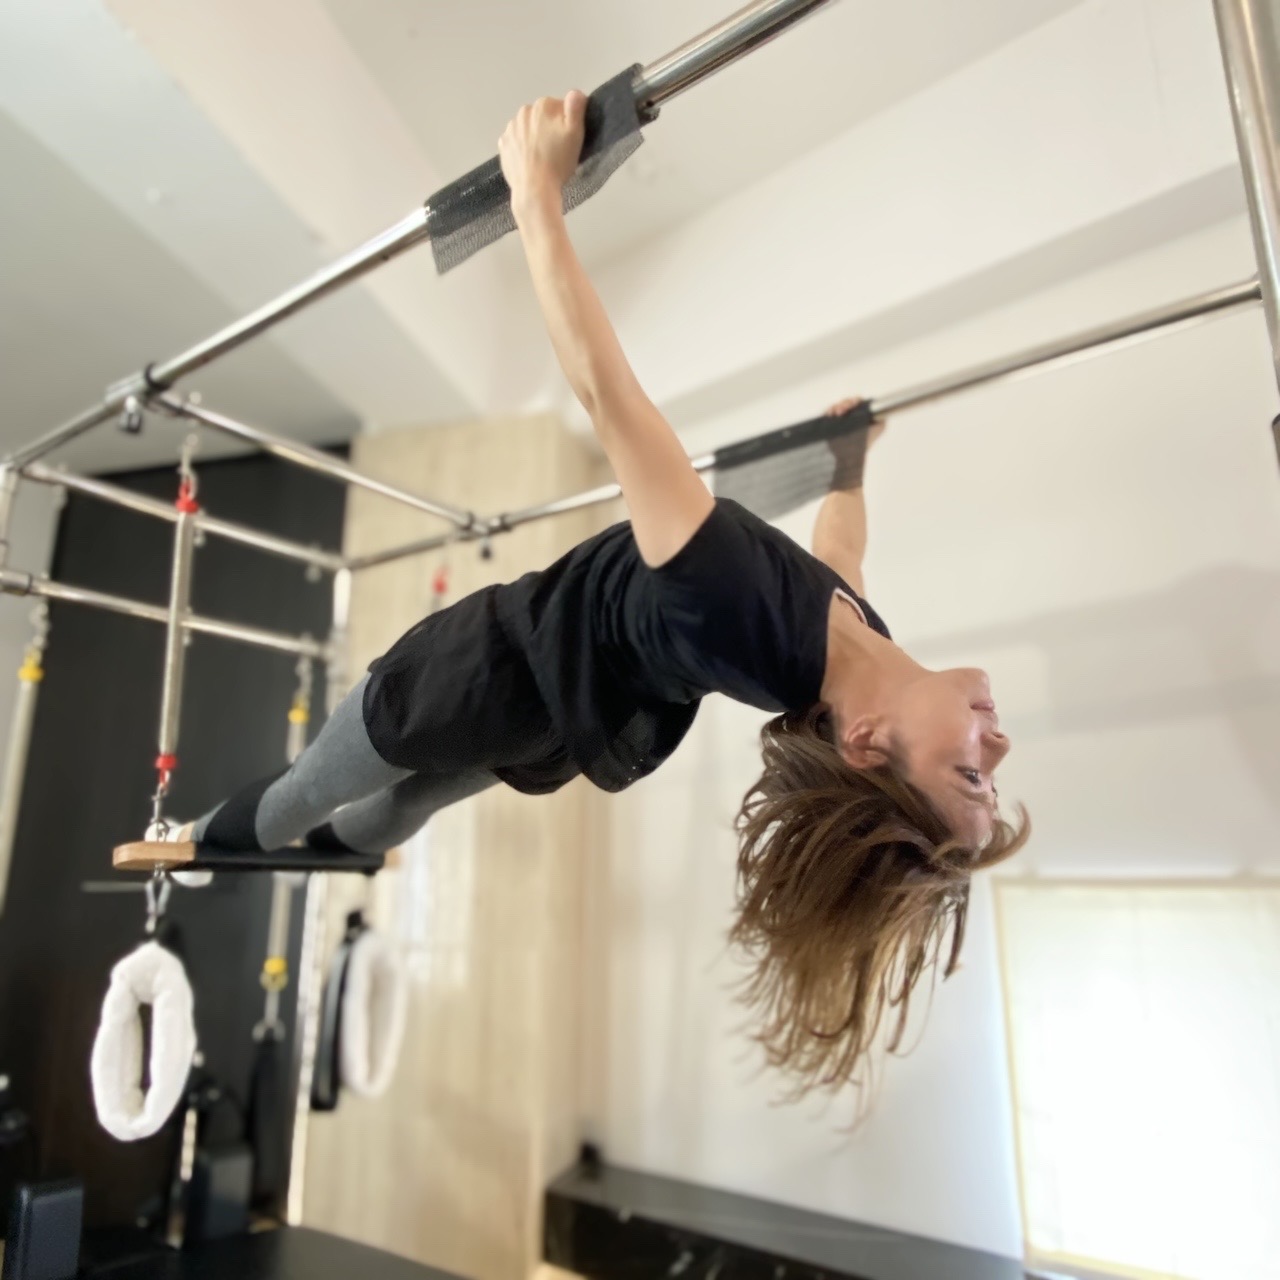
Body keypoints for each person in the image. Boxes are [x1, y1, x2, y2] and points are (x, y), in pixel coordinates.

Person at [152, 92, 1028, 1093]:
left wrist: (535, 191)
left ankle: (195, 844)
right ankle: (346, 854)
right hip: (560, 722)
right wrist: (849, 462)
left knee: (315, 780)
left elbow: (610, 398)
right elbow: (842, 548)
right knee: (413, 799)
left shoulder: (733, 598)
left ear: (867, 743)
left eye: (969, 776)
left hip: (493, 669)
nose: (996, 745)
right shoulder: (856, 648)